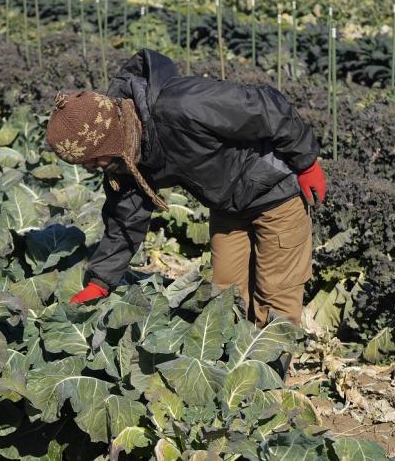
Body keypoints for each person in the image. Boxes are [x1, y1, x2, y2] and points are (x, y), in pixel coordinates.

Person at [45, 49, 325, 327]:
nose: (93, 167)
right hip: (227, 206)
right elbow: (125, 220)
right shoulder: (125, 157)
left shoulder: (183, 104)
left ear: (106, 138)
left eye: (93, 158)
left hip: (275, 193)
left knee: (275, 297)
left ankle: (272, 370)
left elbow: (266, 106)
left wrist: (306, 161)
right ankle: (238, 366)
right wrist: (100, 283)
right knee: (225, 297)